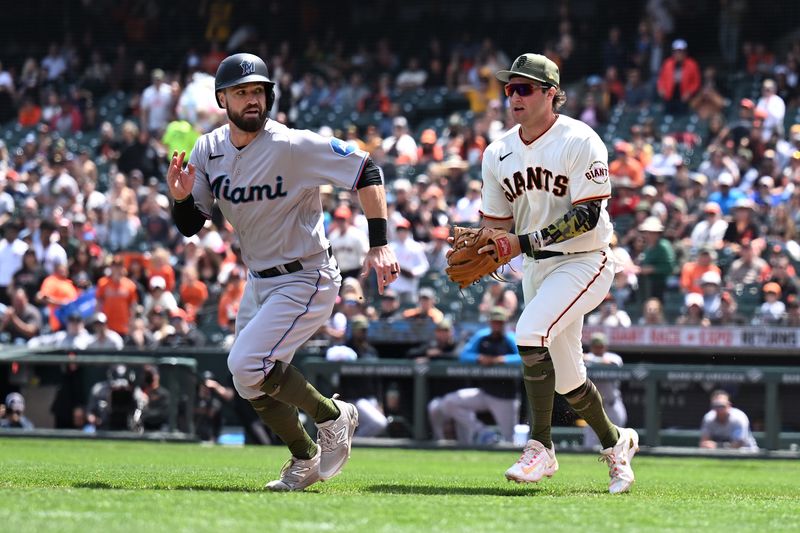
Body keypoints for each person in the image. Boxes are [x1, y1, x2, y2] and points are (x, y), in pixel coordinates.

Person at [168, 53, 399, 491]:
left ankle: (334, 416)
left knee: (246, 361)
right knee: (247, 381)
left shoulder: (291, 145)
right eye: (242, 92)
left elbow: (365, 167)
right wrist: (180, 198)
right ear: (223, 99)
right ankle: (305, 458)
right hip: (259, 279)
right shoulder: (208, 148)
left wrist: (380, 243)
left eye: (258, 90)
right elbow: (190, 225)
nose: (252, 99)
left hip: (306, 275)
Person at [470, 53, 638, 493]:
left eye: (524, 88)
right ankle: (616, 443)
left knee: (528, 334)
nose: (514, 96)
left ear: (551, 93)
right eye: (510, 88)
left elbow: (586, 216)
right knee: (568, 379)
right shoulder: (498, 151)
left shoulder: (581, 140)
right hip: (537, 270)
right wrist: (486, 244)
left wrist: (517, 244)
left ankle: (540, 447)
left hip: (587, 259)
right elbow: (498, 223)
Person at [427, 307, 521, 445]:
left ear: (505, 323)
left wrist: (501, 360)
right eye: (494, 321)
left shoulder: (510, 338)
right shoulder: (483, 336)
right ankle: (484, 432)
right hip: (484, 392)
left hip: (505, 397)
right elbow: (464, 355)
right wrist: (479, 358)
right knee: (449, 402)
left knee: (510, 441)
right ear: (489, 322)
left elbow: (522, 357)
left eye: (499, 322)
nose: (496, 325)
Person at [582, 333, 627, 451]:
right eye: (595, 346)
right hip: (593, 406)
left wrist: (591, 360)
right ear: (591, 346)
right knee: (589, 443)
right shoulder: (585, 357)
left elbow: (613, 364)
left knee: (618, 438)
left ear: (605, 346)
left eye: (600, 346)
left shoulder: (614, 357)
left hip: (612, 404)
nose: (598, 348)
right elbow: (578, 359)